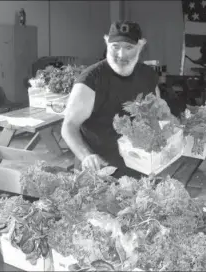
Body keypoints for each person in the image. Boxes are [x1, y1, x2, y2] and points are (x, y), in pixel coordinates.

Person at [61, 21, 161, 178]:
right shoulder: (90, 80)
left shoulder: (148, 76)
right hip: (100, 170)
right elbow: (68, 126)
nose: (121, 55)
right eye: (115, 46)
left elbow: (157, 114)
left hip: (140, 166)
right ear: (107, 43)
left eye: (129, 47)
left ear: (141, 46)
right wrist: (86, 156)